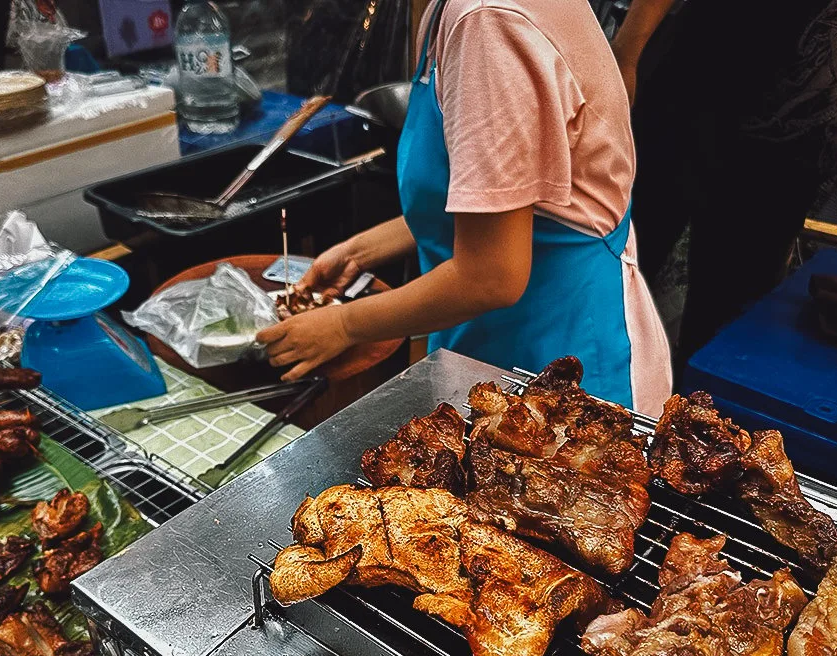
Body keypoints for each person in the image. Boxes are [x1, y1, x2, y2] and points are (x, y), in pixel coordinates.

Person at [257, 0, 672, 415]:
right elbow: (497, 201)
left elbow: (492, 274)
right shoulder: (451, 12)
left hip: (566, 362)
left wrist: (344, 326)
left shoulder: (485, 24)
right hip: (502, 350)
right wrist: (359, 251)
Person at [613, 0, 837, 368]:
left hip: (791, 161)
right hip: (695, 89)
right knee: (616, 273)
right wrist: (626, 53)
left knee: (723, 332)